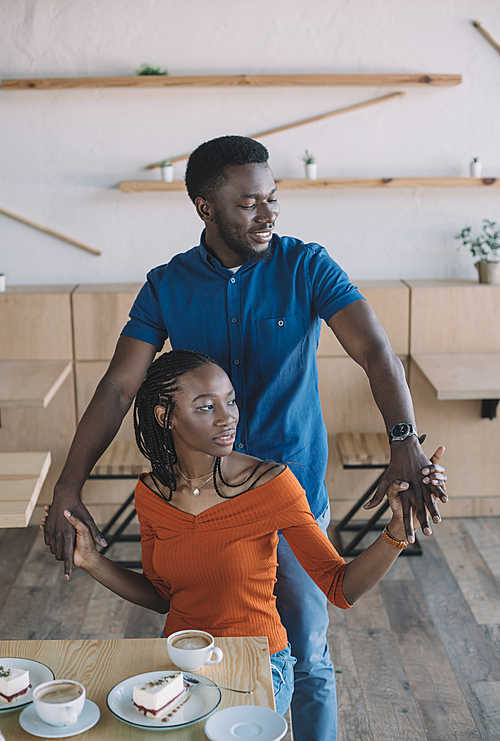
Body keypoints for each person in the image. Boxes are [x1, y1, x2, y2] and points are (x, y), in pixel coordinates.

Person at [44, 136, 447, 740]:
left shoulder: (307, 265)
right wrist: (68, 486)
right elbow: (119, 388)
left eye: (272, 199)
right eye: (249, 203)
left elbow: (375, 351)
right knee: (206, 646)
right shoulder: (166, 284)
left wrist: (404, 441)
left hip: (291, 495)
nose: (268, 214)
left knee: (307, 653)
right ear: (206, 207)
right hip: (201, 502)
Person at [41, 350, 445, 716]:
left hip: (259, 664)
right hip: (182, 665)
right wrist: (92, 561)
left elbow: (340, 587)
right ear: (166, 415)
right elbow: (162, 596)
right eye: (206, 407)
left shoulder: (272, 485)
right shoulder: (151, 493)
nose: (228, 416)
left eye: (230, 401)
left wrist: (397, 529)